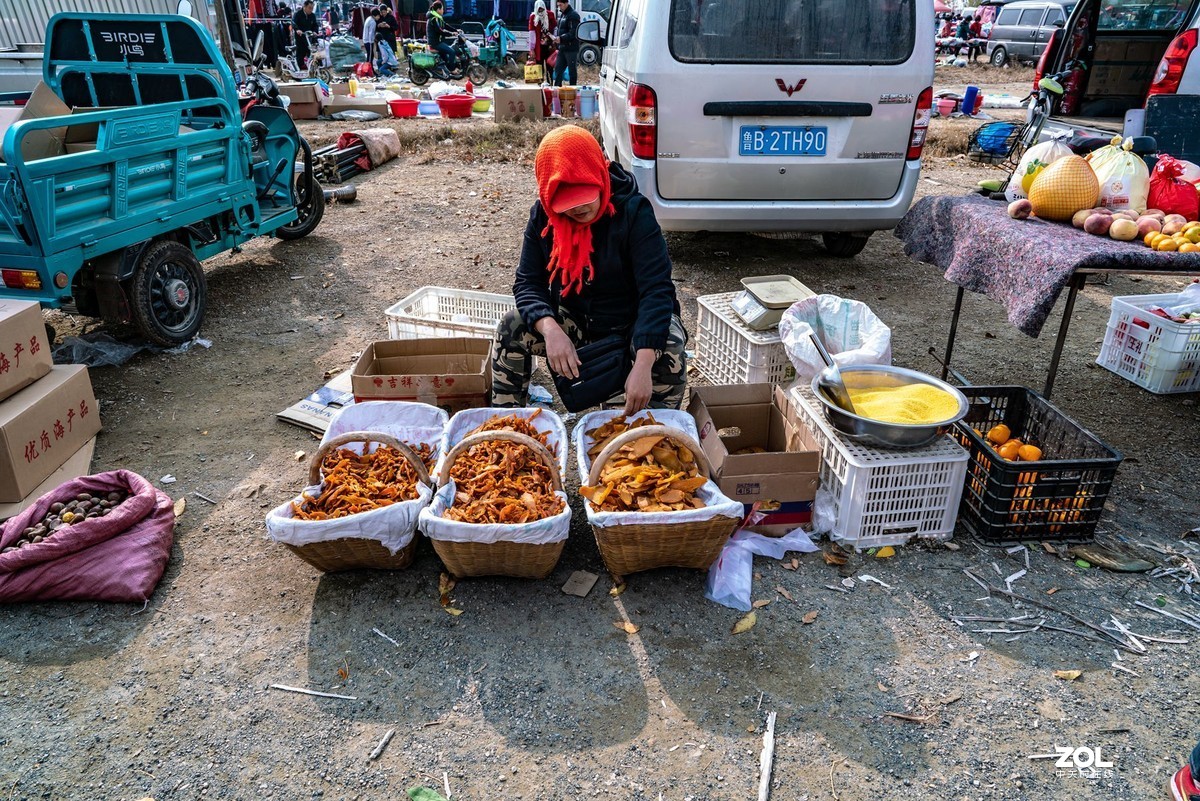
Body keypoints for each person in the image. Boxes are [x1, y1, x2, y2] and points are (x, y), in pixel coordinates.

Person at [492, 126, 687, 413]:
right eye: (566, 203)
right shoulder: (543, 218)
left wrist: (643, 364)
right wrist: (551, 330)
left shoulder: (634, 213)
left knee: (669, 341)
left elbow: (656, 291)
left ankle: (654, 426)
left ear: (599, 175)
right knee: (513, 325)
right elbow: (527, 283)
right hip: (577, 320)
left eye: (585, 195)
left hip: (629, 323)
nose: (578, 209)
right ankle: (508, 423)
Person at [551, 0, 580, 87]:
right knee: (558, 70)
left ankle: (573, 89)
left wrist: (561, 38)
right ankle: (556, 90)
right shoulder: (563, 15)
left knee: (572, 72)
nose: (559, 7)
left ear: (566, 3)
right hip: (562, 48)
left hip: (571, 48)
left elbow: (573, 33)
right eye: (558, 5)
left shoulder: (573, 15)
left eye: (561, 5)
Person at [528, 0, 557, 80]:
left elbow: (555, 28)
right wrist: (532, 49)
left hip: (549, 45)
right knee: (539, 67)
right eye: (539, 9)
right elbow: (532, 34)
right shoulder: (533, 17)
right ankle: (540, 85)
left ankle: (550, 83)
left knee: (550, 66)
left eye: (542, 9)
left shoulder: (550, 15)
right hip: (538, 47)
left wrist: (555, 40)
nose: (540, 11)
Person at [427, 0, 457, 72]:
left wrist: (455, 30)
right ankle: (452, 69)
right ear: (438, 10)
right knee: (452, 52)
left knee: (446, 58)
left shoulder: (437, 17)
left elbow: (445, 25)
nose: (443, 11)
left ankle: (447, 71)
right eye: (442, 9)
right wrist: (451, 34)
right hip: (435, 43)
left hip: (438, 42)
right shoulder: (434, 19)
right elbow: (440, 30)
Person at [292, 0, 319, 68]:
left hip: (310, 37)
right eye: (309, 8)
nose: (311, 10)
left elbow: (315, 25)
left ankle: (314, 68)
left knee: (312, 53)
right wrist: (297, 29)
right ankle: (299, 69)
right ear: (304, 7)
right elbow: (293, 23)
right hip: (300, 37)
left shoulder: (312, 15)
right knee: (300, 53)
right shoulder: (297, 14)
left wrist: (315, 31)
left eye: (312, 8)